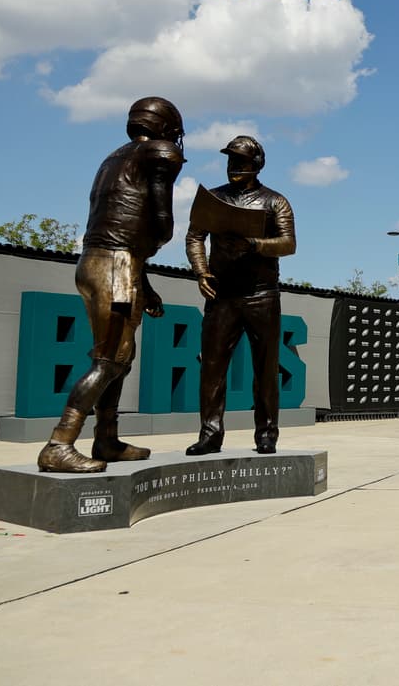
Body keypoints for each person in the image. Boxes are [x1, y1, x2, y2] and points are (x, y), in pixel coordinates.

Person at [37, 97, 186, 472]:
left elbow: (119, 230)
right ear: (167, 128)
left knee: (121, 359)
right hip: (117, 265)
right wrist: (163, 234)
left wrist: (145, 282)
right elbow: (160, 218)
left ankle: (106, 437)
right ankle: (59, 442)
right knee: (109, 359)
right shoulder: (159, 151)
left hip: (98, 262)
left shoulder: (113, 158)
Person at [185, 135, 297, 456]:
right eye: (231, 160)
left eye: (242, 162)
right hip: (222, 295)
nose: (235, 167)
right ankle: (210, 434)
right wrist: (200, 270)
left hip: (262, 295)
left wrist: (255, 244)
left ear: (257, 164)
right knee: (212, 368)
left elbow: (288, 244)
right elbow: (195, 236)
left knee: (265, 368)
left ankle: (266, 434)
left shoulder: (276, 201)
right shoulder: (213, 198)